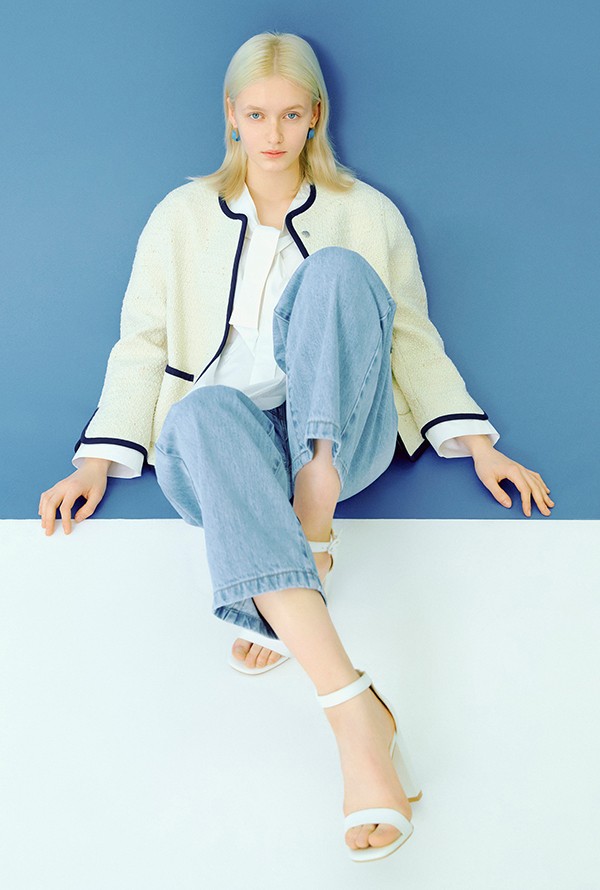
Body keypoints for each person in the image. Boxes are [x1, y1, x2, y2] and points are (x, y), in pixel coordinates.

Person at [38, 31, 554, 861]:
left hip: (342, 439)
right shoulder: (179, 217)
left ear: (315, 115)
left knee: (341, 273)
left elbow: (409, 336)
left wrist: (476, 442)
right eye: (255, 115)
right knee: (196, 415)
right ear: (230, 117)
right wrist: (96, 460)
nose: (272, 133)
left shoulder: (365, 213)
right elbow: (143, 342)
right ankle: (355, 708)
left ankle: (303, 526)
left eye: (289, 114)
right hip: (230, 455)